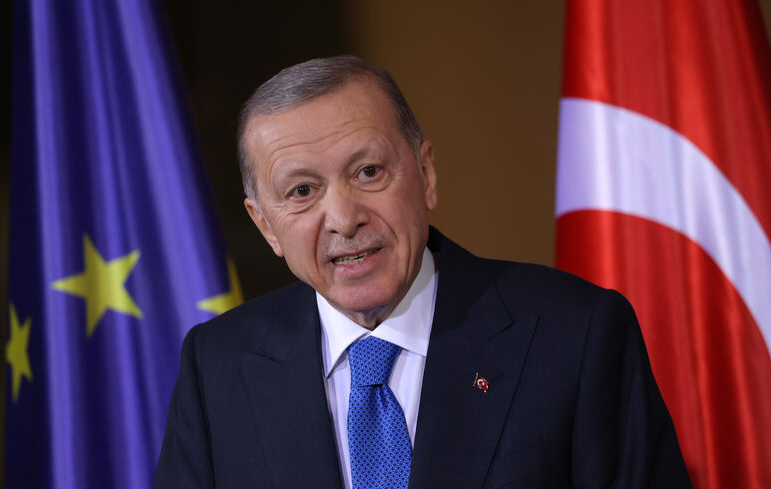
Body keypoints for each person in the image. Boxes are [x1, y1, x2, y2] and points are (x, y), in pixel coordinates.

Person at [154, 55, 692, 488]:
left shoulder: (578, 333)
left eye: (368, 172)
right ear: (266, 225)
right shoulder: (216, 367)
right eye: (302, 191)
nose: (344, 219)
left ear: (426, 174)